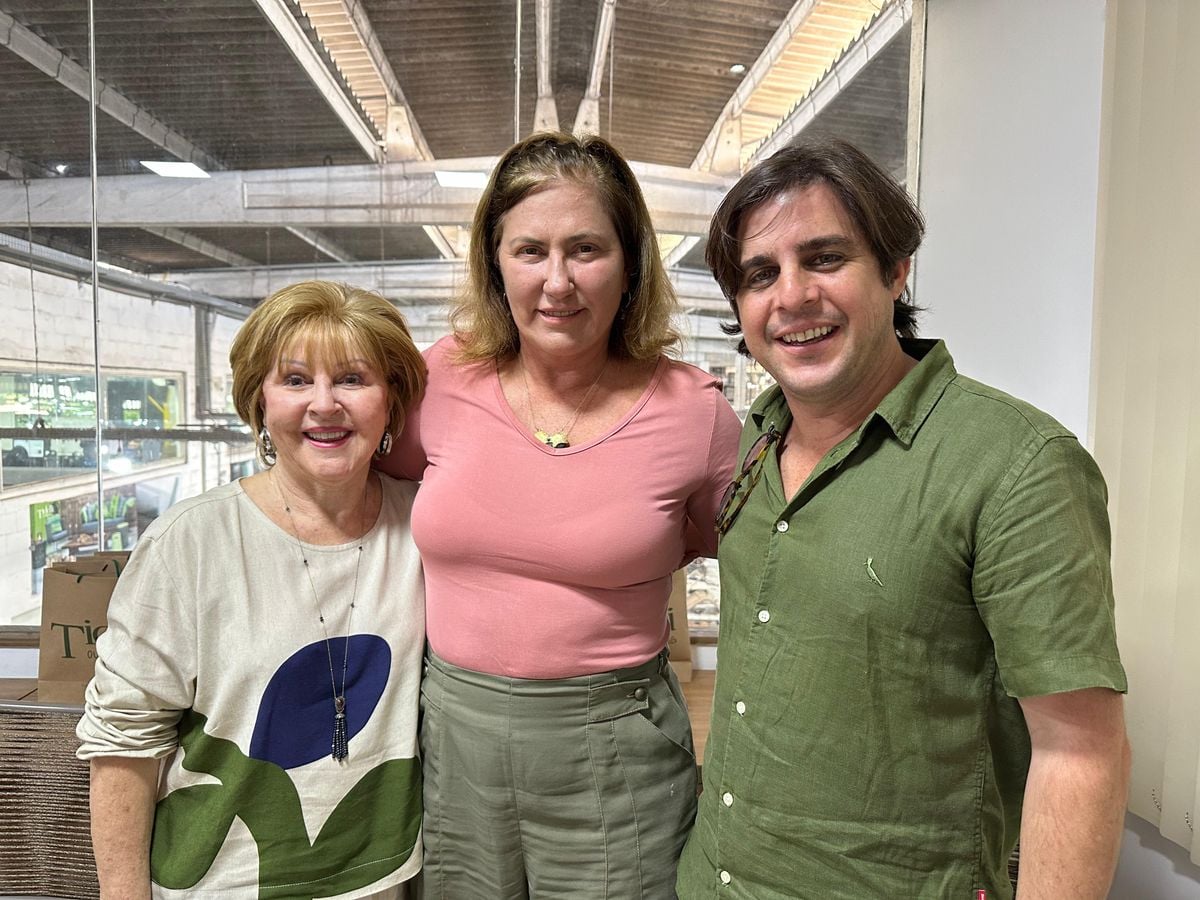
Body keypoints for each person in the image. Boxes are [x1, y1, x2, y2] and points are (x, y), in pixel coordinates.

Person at [676, 139, 1130, 899]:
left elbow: (1079, 751)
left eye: (824, 258)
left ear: (895, 270)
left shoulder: (1018, 465)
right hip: (713, 879)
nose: (791, 297)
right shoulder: (753, 439)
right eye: (761, 275)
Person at [378, 131, 741, 899]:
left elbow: (756, 567)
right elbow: (362, 499)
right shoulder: (442, 377)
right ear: (493, 262)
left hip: (614, 750)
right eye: (529, 251)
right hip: (454, 741)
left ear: (632, 263)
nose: (558, 282)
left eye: (586, 249)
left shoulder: (693, 414)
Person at [77, 281, 427, 899]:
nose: (324, 404)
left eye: (352, 378)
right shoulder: (192, 541)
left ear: (391, 400)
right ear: (259, 401)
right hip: (221, 882)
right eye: (295, 381)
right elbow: (124, 740)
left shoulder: (429, 528)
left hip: (381, 883)